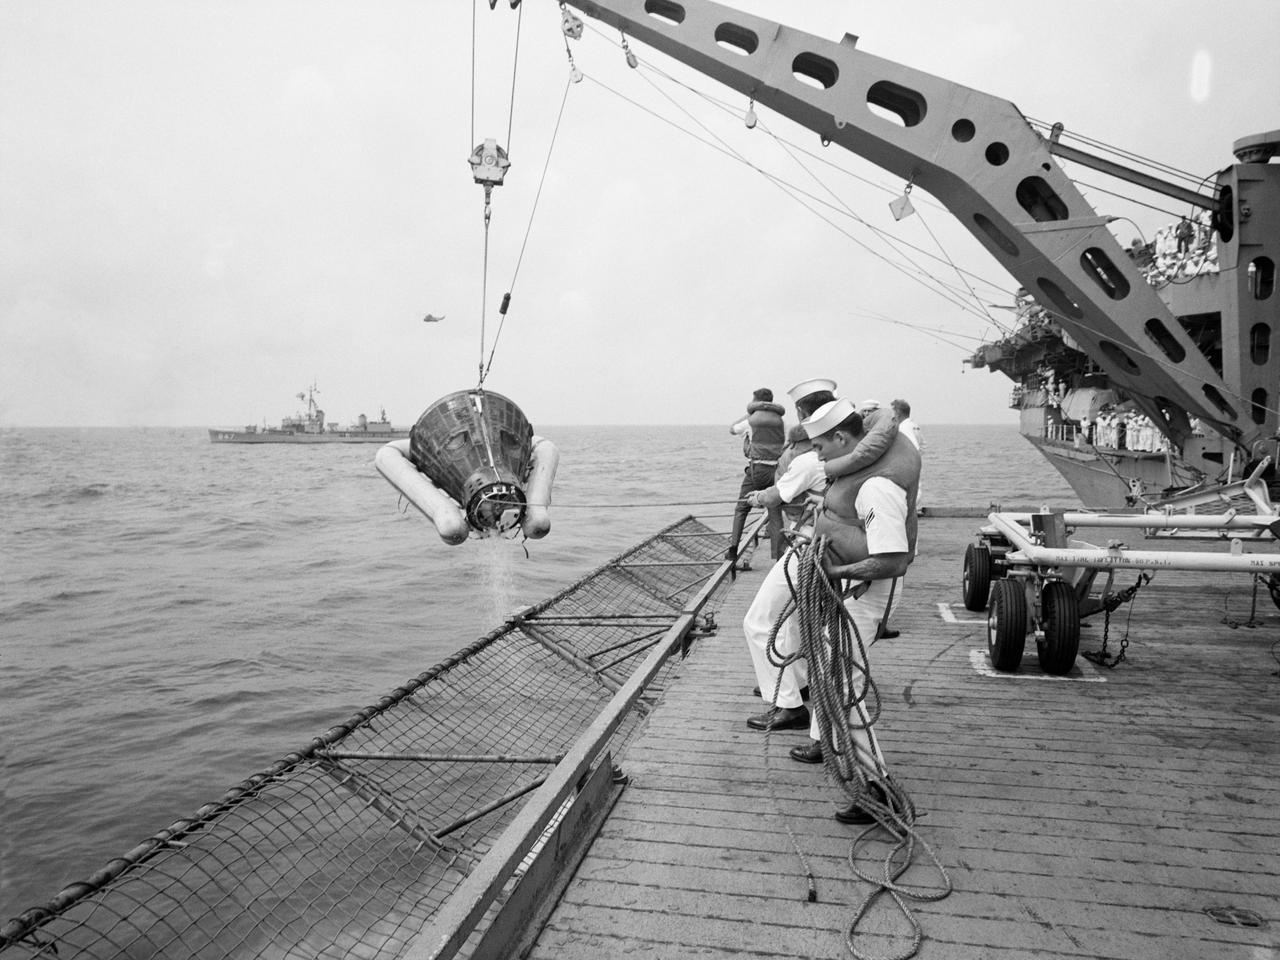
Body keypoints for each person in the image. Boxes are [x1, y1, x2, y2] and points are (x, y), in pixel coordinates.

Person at [741, 380, 901, 732]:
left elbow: (775, 497)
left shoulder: (816, 462)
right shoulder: (866, 457)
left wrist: (754, 499)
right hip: (831, 554)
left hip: (819, 553)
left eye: (820, 446)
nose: (820, 454)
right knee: (803, 629)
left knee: (759, 621)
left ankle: (788, 703)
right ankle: (801, 696)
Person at [794, 397, 920, 824]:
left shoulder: (876, 487)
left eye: (820, 448)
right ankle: (853, 767)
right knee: (834, 677)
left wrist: (836, 568)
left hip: (868, 595)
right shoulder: (857, 473)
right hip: (850, 589)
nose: (818, 456)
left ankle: (878, 789)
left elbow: (892, 560)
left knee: (843, 684)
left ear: (842, 438)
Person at [727, 387, 786, 563]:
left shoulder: (751, 420)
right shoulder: (779, 419)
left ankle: (733, 549)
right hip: (776, 470)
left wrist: (748, 413)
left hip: (756, 470)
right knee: (775, 513)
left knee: (741, 507)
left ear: (755, 401)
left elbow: (732, 429)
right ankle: (778, 557)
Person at [890, 398, 924, 513]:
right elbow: (923, 445)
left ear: (897, 413)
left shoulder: (904, 428)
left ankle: (909, 510)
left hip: (907, 464)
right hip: (914, 463)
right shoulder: (914, 426)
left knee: (911, 490)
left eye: (893, 412)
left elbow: (913, 446)